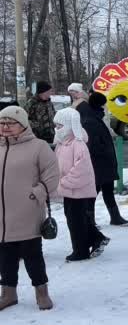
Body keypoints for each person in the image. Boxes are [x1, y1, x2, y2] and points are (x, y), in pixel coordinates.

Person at [0, 106, 59, 311]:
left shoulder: (38, 146)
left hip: (27, 211)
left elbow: (52, 174)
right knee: (5, 256)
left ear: (23, 124)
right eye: (2, 122)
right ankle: (8, 293)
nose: (5, 127)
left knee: (32, 255)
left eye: (10, 123)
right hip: (2, 216)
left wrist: (37, 193)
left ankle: (41, 293)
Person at [54, 108, 108, 262]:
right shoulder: (62, 144)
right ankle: (97, 238)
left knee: (76, 220)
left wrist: (63, 182)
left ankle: (81, 250)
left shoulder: (78, 144)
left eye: (60, 126)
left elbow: (81, 169)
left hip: (77, 189)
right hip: (68, 189)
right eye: (56, 126)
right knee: (75, 218)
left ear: (70, 126)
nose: (57, 130)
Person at [82, 92, 128, 227]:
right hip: (98, 163)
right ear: (99, 104)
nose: (105, 107)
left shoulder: (95, 117)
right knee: (94, 192)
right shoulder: (91, 120)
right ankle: (89, 220)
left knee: (108, 190)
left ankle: (115, 217)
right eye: (103, 104)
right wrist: (105, 151)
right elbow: (93, 145)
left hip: (104, 163)